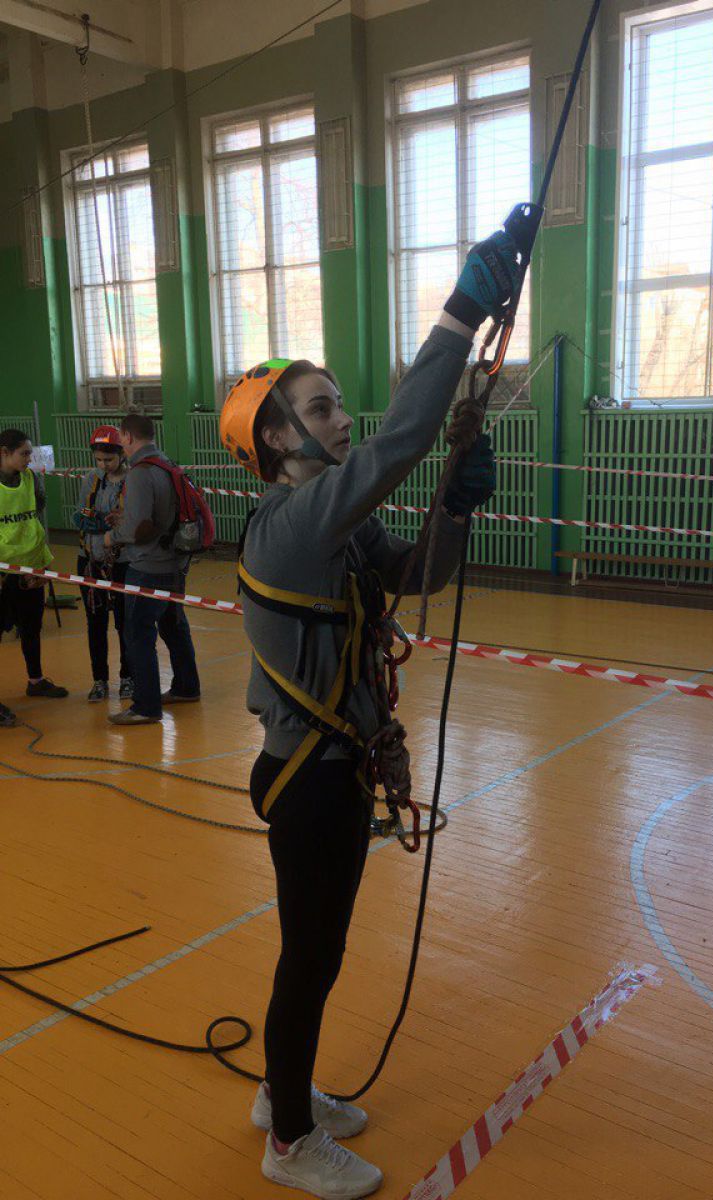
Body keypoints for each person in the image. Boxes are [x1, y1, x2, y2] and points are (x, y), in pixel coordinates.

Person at [220, 222, 521, 1198]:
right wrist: (460, 314)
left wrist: (455, 510)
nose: (344, 418)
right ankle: (288, 1140)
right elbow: (402, 439)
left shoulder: (342, 529)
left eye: (341, 401)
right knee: (311, 959)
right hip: (310, 780)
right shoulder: (293, 524)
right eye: (322, 407)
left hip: (332, 770)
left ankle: (282, 1092)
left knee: (318, 953)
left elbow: (416, 574)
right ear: (277, 439)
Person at [103, 413, 200, 725]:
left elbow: (140, 528)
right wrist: (127, 519)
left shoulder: (140, 473)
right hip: (174, 563)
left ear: (128, 437)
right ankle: (186, 687)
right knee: (173, 625)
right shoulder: (167, 464)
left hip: (148, 566)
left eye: (121, 437)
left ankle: (145, 706)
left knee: (138, 632)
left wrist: (113, 535)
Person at [0, 428, 68, 727]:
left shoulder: (30, 480)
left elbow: (35, 523)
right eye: (24, 453)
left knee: (31, 628)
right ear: (4, 453)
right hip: (3, 573)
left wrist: (43, 567)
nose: (30, 458)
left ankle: (36, 680)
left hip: (29, 569)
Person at [72, 425, 133, 703]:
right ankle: (99, 680)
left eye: (108, 459)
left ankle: (128, 677)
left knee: (124, 622)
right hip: (90, 560)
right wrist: (94, 517)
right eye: (98, 459)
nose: (103, 465)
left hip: (122, 562)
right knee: (95, 622)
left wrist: (115, 521)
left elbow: (132, 520)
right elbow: (82, 511)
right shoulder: (92, 479)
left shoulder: (132, 481)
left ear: (121, 454)